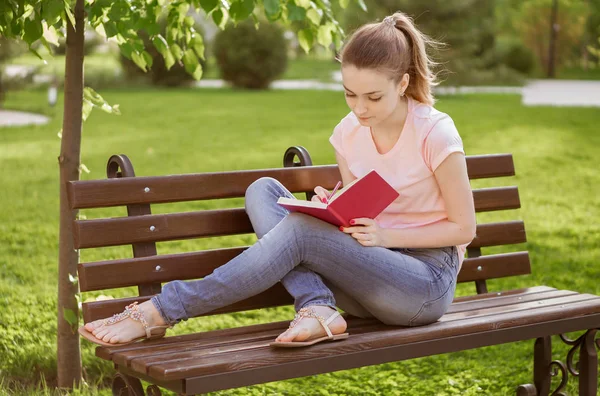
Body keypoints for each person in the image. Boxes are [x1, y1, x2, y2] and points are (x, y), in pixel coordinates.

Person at [79, 11, 476, 348]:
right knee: (263, 191)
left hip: (422, 285)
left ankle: (162, 309)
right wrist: (332, 211)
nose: (359, 108)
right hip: (364, 276)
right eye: (349, 94)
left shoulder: (434, 133)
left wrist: (387, 237)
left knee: (300, 232)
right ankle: (317, 305)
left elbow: (464, 227)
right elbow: (362, 217)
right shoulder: (348, 133)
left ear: (403, 84)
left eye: (373, 97)